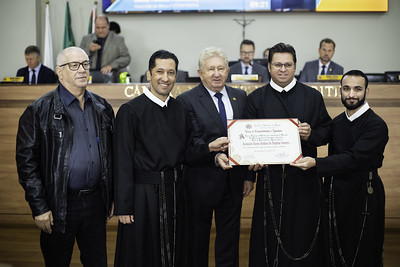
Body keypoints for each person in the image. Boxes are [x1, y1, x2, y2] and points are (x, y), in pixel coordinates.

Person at [113, 49, 227, 266]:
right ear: (148, 74)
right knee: (143, 253)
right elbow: (122, 161)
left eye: (171, 73)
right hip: (142, 197)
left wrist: (211, 151)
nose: (165, 78)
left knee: (175, 252)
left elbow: (188, 152)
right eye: (160, 72)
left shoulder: (179, 109)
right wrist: (123, 205)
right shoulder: (131, 110)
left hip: (176, 193)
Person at [15, 46, 114, 267]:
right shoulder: (38, 111)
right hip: (59, 204)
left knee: (97, 262)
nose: (82, 70)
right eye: (74, 65)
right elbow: (26, 164)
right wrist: (39, 206)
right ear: (60, 72)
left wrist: (111, 195)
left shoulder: (102, 107)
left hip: (95, 202)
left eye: (85, 64)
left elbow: (110, 157)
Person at [246, 42, 332, 267]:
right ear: (269, 67)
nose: (282, 69)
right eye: (277, 65)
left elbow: (327, 131)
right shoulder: (255, 99)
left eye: (287, 64)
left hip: (304, 178)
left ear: (295, 66)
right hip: (269, 179)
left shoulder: (312, 97)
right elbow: (245, 140)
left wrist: (311, 133)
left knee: (303, 231)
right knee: (269, 235)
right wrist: (249, 168)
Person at [292, 70, 389, 267]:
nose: (351, 94)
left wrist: (316, 163)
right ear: (340, 91)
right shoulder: (338, 121)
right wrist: (305, 133)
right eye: (346, 89)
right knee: (336, 245)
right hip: (336, 193)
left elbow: (354, 159)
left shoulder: (376, 125)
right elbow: (319, 136)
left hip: (364, 193)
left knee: (362, 248)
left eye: (357, 89)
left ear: (367, 91)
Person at [177, 47, 254, 267]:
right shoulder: (187, 100)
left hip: (234, 182)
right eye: (211, 69)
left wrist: (249, 175)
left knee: (229, 241)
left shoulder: (240, 96)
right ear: (200, 73)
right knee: (197, 241)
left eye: (221, 68)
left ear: (228, 71)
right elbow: (190, 142)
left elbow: (248, 137)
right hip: (200, 183)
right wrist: (213, 156)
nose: (217, 73)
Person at [80, 14, 130, 83]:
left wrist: (112, 65)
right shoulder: (86, 39)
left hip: (110, 74)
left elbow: (126, 58)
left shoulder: (118, 40)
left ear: (108, 26)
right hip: (89, 74)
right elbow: (78, 58)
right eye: (98, 28)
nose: (100, 30)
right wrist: (89, 50)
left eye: (103, 28)